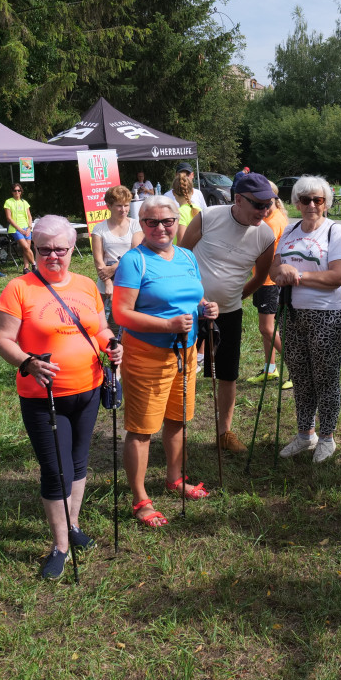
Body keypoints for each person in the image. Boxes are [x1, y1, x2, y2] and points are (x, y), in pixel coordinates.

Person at [0, 215, 122, 580]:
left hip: (89, 389)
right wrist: (28, 362)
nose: (53, 256)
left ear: (72, 249)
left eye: (60, 249)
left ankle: (74, 524)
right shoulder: (18, 289)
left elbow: (101, 328)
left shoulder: (85, 285)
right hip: (43, 396)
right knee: (56, 471)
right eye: (44, 249)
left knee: (79, 463)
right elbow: (3, 340)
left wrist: (112, 346)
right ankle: (60, 546)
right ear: (34, 249)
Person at [112, 196, 219, 525]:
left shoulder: (187, 255)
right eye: (151, 222)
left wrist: (205, 306)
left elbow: (191, 292)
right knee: (142, 429)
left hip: (185, 352)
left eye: (167, 221)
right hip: (147, 355)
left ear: (177, 222)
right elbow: (121, 313)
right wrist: (167, 325)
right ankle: (140, 498)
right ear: (141, 224)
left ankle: (175, 479)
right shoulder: (134, 261)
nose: (160, 228)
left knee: (178, 419)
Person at [180, 172, 277, 452]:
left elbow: (260, 277)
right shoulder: (208, 217)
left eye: (268, 204)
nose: (264, 211)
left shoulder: (265, 235)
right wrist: (192, 296)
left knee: (228, 374)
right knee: (181, 369)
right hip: (190, 309)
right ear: (238, 199)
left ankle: (225, 432)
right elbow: (181, 256)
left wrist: (236, 297)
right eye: (258, 205)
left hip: (229, 313)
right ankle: (176, 427)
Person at [270, 177, 341, 463]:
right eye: (305, 200)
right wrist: (282, 271)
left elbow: (338, 276)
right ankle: (306, 434)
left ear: (326, 203)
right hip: (292, 313)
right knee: (301, 377)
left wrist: (298, 276)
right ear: (296, 203)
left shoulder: (334, 231)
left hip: (327, 314)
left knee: (325, 378)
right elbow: (273, 268)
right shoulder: (289, 230)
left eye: (318, 200)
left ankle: (327, 437)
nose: (312, 205)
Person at [247, 192, 290, 387]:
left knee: (267, 328)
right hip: (262, 280)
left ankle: (298, 368)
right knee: (266, 329)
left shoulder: (272, 222)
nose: (259, 207)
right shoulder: (273, 217)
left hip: (268, 282)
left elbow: (262, 251)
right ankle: (270, 368)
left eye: (262, 203)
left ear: (271, 201)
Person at [90, 185, 135, 324]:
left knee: (129, 321)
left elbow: (135, 253)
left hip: (130, 279)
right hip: (106, 281)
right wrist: (108, 283)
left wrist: (114, 268)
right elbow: (98, 260)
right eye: (119, 206)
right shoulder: (99, 229)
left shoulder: (136, 225)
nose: (124, 210)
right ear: (109, 206)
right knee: (107, 323)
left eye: (126, 205)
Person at [4, 183, 35, 273]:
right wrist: (19, 229)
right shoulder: (8, 202)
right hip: (16, 229)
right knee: (25, 247)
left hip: (27, 228)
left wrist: (29, 228)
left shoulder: (24, 202)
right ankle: (34, 264)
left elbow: (29, 216)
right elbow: (9, 218)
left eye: (19, 190)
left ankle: (26, 268)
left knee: (27, 248)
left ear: (21, 191)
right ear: (12, 192)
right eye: (15, 190)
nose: (17, 192)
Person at [170, 171, 201, 245]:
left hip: (183, 255)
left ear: (174, 193)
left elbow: (181, 243)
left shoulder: (179, 213)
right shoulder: (199, 210)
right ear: (192, 191)